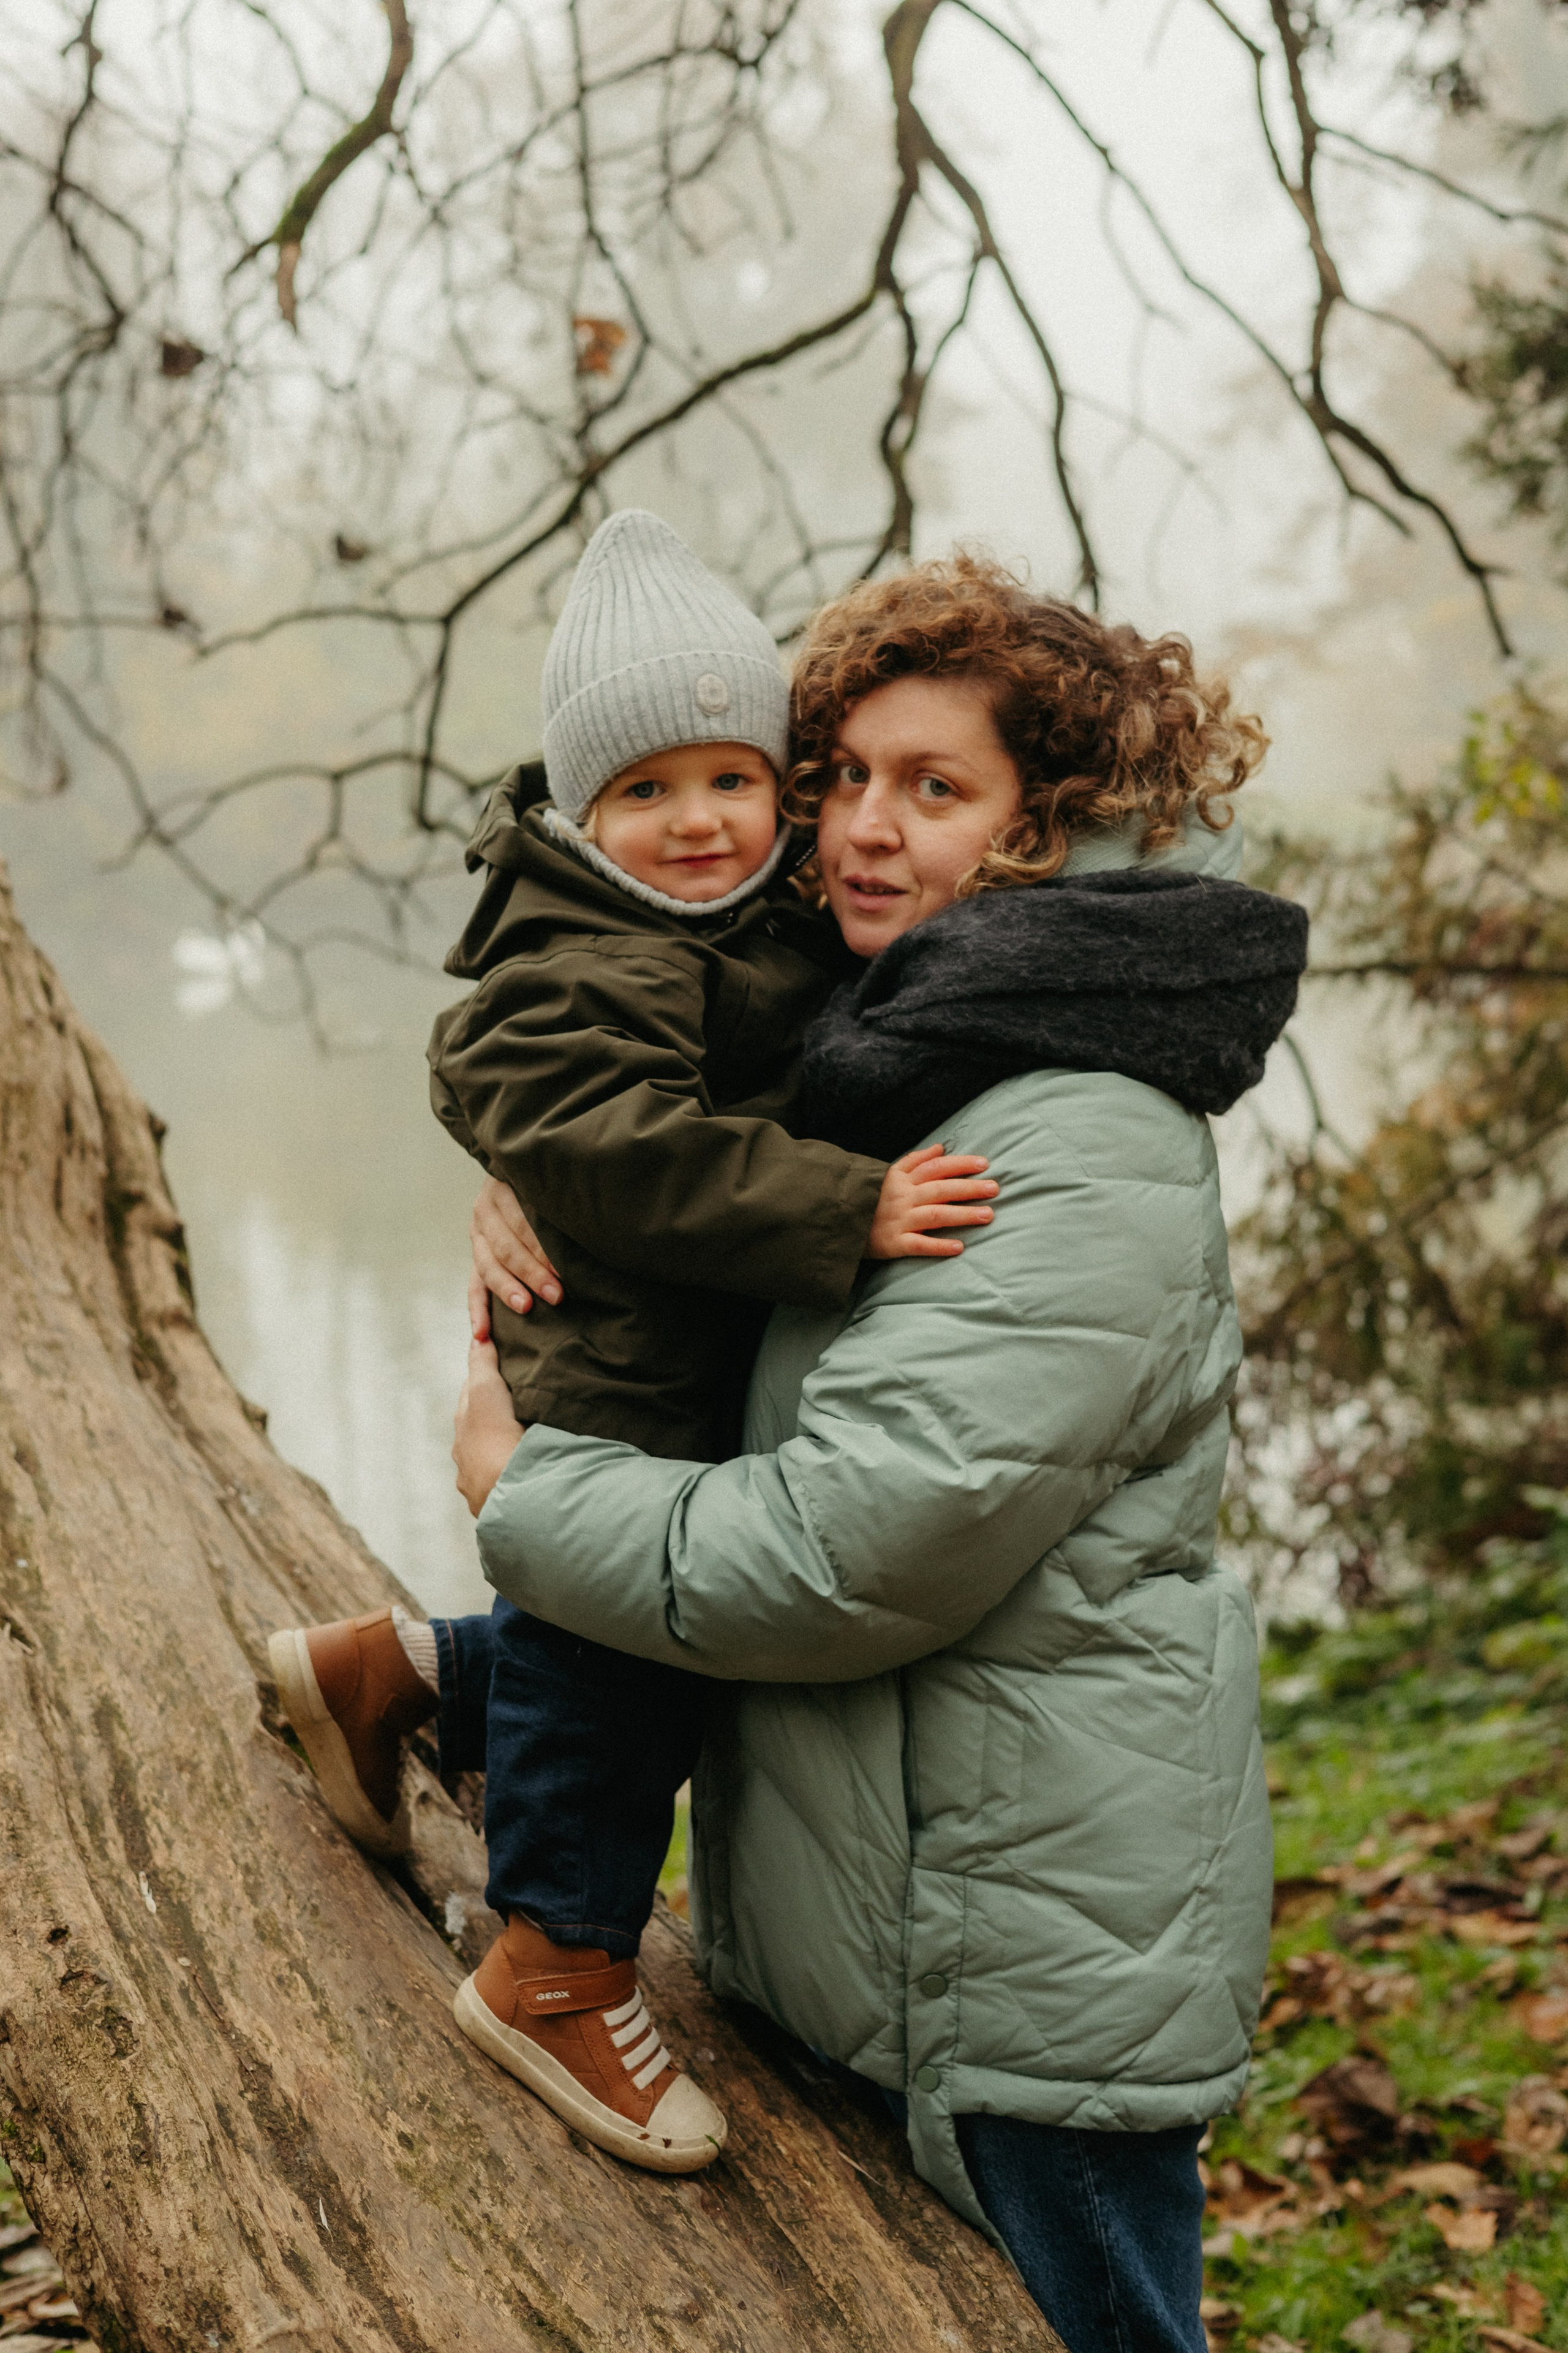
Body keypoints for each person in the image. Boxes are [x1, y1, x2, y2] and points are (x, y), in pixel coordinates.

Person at [448, 556, 1309, 2352]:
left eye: (935, 788)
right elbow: (656, 1141)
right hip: (898, 1926)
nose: (857, 826)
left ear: (1047, 829)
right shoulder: (881, 1054)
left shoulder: (1075, 1133)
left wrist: (518, 1494)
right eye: (839, 774)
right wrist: (559, 1185)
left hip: (1027, 1990)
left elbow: (851, 1547)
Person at [267, 510, 995, 2175]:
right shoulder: (585, 945)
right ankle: (558, 1962)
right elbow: (613, 1134)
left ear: (779, 783)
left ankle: (389, 1672)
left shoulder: (746, 911)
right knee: (623, 1676)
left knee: (661, 1637)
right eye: (644, 793)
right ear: (582, 813)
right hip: (611, 1385)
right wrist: (847, 1205)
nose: (693, 822)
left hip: (672, 1366)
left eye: (730, 780)